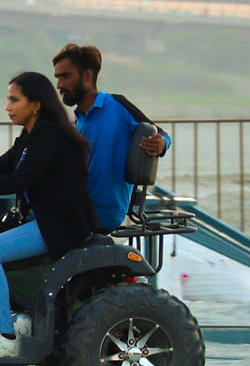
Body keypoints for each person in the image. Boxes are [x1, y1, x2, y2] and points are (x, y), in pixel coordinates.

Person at [0, 71, 97, 358]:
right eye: (7, 100)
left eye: (14, 100)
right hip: (39, 220)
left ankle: (5, 335)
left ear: (35, 104)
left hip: (59, 225)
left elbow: (21, 180)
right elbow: (0, 166)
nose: (8, 107)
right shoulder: (31, 135)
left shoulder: (51, 136)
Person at [51, 43, 170, 231]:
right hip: (79, 209)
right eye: (58, 78)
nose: (60, 85)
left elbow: (160, 133)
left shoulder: (117, 105)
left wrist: (162, 143)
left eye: (66, 76)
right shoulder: (78, 121)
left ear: (88, 76)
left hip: (103, 213)